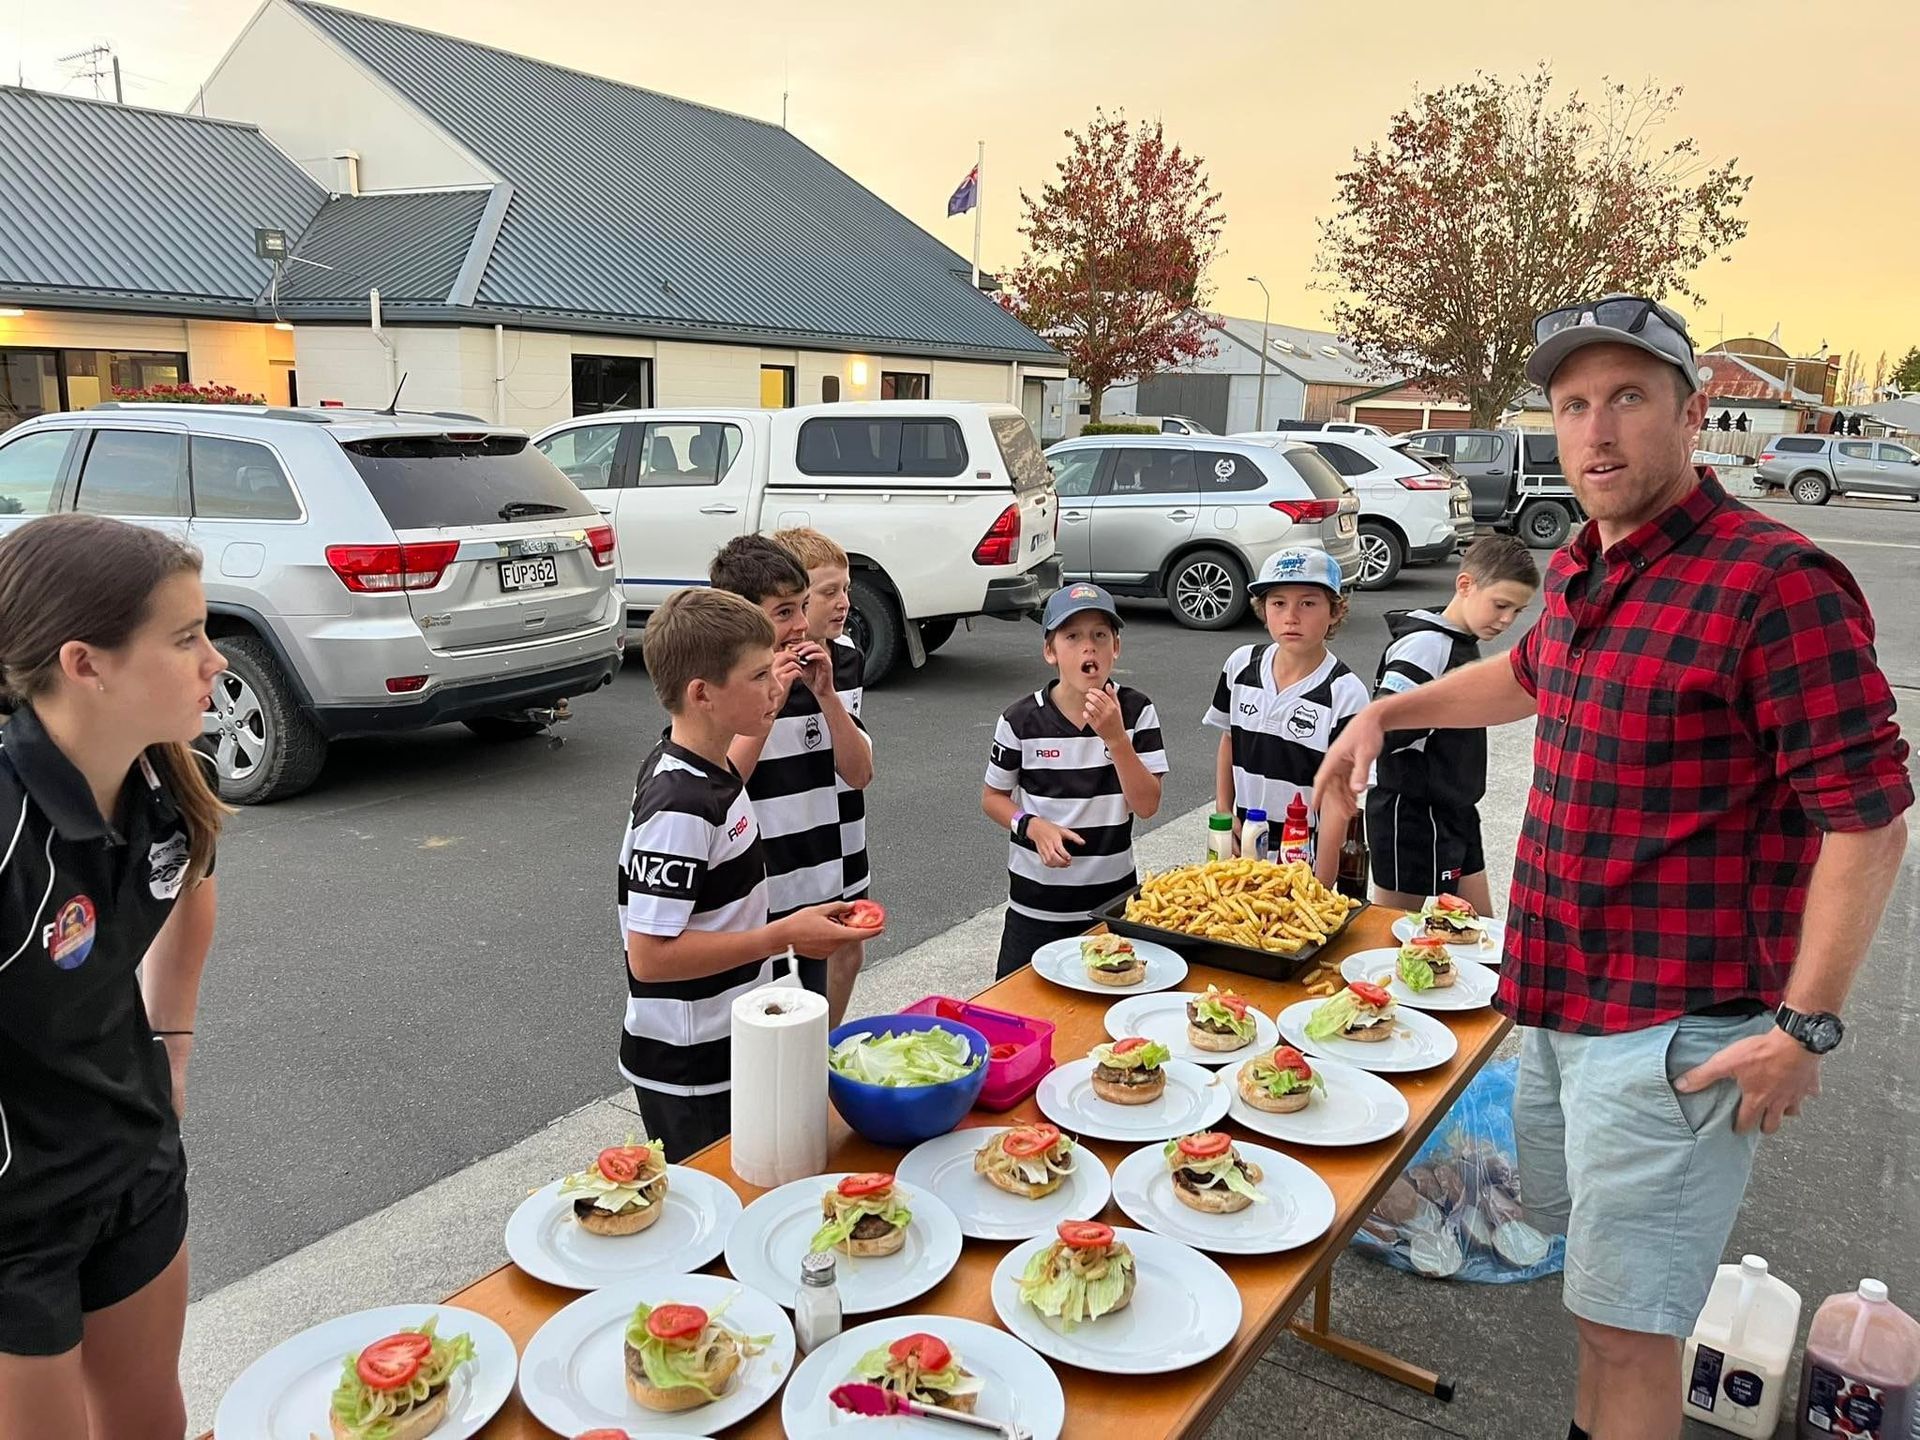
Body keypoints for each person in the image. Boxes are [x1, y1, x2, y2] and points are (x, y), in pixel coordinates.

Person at [1314, 295, 1911, 1440]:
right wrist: (1392, 710)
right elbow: (1531, 678)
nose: (1597, 431)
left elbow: (1869, 820)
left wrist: (1808, 1026)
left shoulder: (1774, 583)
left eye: (1629, 398)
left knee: (1631, 1338)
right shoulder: (1589, 568)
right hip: (1565, 1001)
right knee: (1598, 1314)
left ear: (1693, 415)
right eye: (1574, 403)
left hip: (1675, 1032)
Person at [0, 514, 228, 1439]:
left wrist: (171, 1042)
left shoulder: (168, 785)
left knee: (148, 1421)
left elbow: (194, 890)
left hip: (134, 1161)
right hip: (15, 1219)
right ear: (85, 663)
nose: (216, 660)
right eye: (186, 639)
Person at [619, 586, 870, 1161]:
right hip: (691, 1067)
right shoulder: (679, 803)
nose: (774, 686)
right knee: (719, 1210)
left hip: (732, 1039)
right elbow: (650, 957)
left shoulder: (713, 769)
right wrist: (784, 935)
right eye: (758, 677)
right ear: (703, 694)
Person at [709, 536, 871, 1020]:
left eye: (804, 607)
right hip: (760, 876)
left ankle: (817, 1064)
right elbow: (723, 784)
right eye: (787, 612)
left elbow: (859, 773)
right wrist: (771, 699)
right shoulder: (729, 684)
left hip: (824, 862)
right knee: (766, 1008)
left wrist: (828, 697)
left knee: (813, 1008)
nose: (803, 624)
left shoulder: (839, 663)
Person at [982, 583, 1166, 979]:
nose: (1089, 648)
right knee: (1017, 1009)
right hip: (1035, 907)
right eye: (1073, 637)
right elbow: (993, 797)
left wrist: (1116, 738)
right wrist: (1031, 826)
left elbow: (1148, 805)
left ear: (1116, 647)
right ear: (1050, 651)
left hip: (1112, 905)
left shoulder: (1136, 711)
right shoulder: (1020, 719)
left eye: (1100, 635)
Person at [1367, 533, 1540, 914]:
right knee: (1401, 939)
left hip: (1456, 811)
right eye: (1500, 605)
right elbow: (1381, 724)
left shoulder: (1458, 639)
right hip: (1414, 817)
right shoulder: (1427, 645)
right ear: (1465, 585)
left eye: (1518, 611)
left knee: (1482, 936)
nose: (1507, 620)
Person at [1203, 547, 1366, 886]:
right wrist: (1223, 810)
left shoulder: (1345, 692)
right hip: (1242, 850)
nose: (1291, 616)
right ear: (1263, 609)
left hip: (1301, 861)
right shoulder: (1240, 665)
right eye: (1278, 603)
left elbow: (1339, 797)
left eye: (1308, 603)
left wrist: (1321, 882)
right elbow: (1229, 740)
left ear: (1335, 611)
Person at [769, 527, 874, 1026]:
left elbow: (857, 769)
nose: (843, 604)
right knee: (779, 973)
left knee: (846, 950)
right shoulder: (756, 670)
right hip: (781, 848)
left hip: (841, 835)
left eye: (846, 590)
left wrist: (827, 696)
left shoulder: (846, 656)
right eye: (828, 593)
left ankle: (824, 1049)